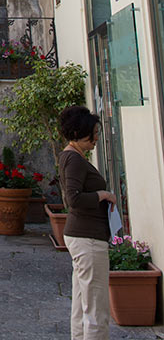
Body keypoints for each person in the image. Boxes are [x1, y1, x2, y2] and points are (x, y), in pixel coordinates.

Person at [59, 105, 117, 340]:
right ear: (77, 134)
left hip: (83, 236)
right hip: (88, 239)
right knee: (96, 309)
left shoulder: (72, 156)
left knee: (82, 304)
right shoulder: (73, 159)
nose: (96, 138)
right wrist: (102, 195)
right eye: (92, 133)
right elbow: (72, 198)